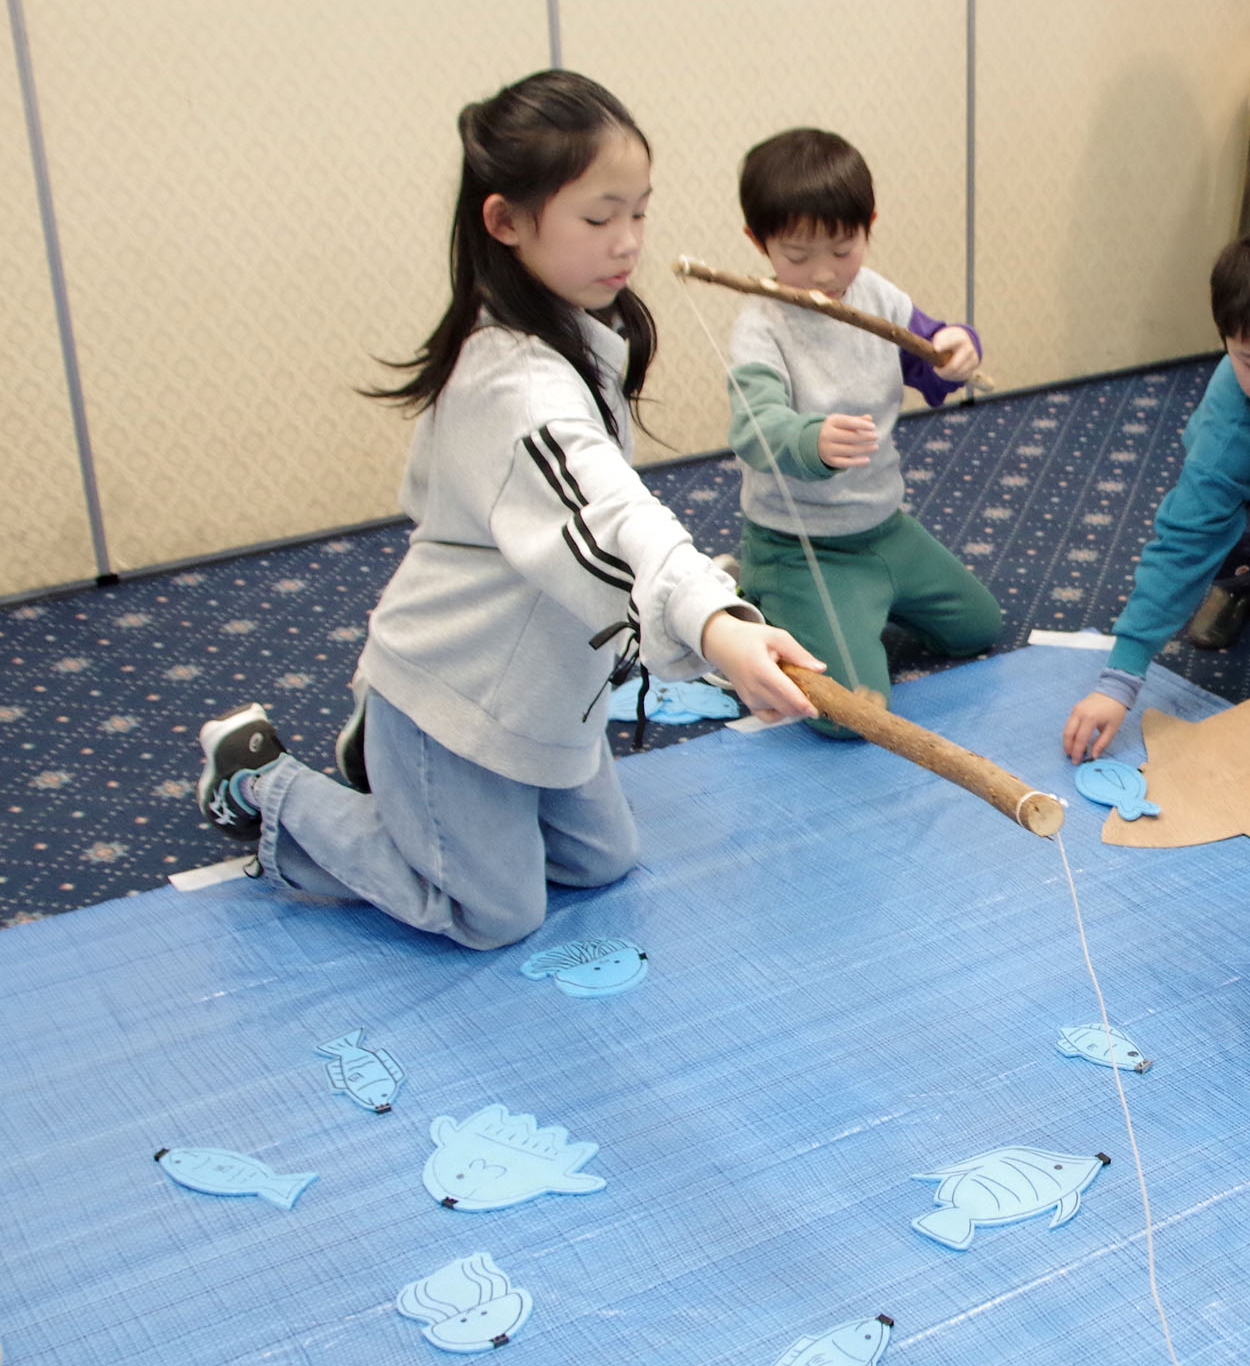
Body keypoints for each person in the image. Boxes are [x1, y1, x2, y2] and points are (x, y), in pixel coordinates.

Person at [195, 70, 821, 949]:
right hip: (455, 687)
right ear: (507, 221)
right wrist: (714, 622)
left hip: (543, 685)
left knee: (601, 861)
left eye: (639, 212)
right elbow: (610, 520)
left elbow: (582, 505)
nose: (628, 241)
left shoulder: (578, 329)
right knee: (493, 913)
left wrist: (706, 612)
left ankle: (405, 786)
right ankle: (265, 784)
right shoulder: (511, 379)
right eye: (599, 218)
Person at [725, 128, 1000, 734]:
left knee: (979, 628)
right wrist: (810, 441)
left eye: (844, 249)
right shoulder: (761, 328)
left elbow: (931, 358)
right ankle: (758, 587)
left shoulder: (878, 297)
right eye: (797, 257)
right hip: (802, 544)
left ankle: (866, 599)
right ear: (758, 242)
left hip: (883, 525)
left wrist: (958, 350)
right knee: (847, 717)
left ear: (868, 225)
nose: (824, 274)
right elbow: (755, 428)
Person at [1060, 226, 1250, 763]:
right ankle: (1244, 578)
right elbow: (1179, 548)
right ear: (1224, 345)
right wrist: (1119, 681)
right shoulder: (1224, 441)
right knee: (1222, 538)